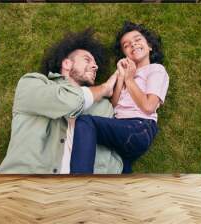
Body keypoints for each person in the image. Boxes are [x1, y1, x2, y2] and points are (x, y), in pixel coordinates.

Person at [0, 29, 123, 174]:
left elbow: (113, 150)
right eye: (87, 60)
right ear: (67, 63)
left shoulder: (103, 107)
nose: (95, 66)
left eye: (95, 64)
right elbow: (70, 102)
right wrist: (105, 88)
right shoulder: (32, 83)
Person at [70, 21, 169, 174]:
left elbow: (149, 107)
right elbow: (114, 105)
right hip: (122, 131)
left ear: (149, 46)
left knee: (85, 122)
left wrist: (129, 80)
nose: (133, 45)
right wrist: (121, 77)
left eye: (137, 40)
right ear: (125, 54)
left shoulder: (156, 69)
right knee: (120, 171)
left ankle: (80, 181)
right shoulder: (126, 75)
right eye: (127, 45)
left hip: (139, 127)